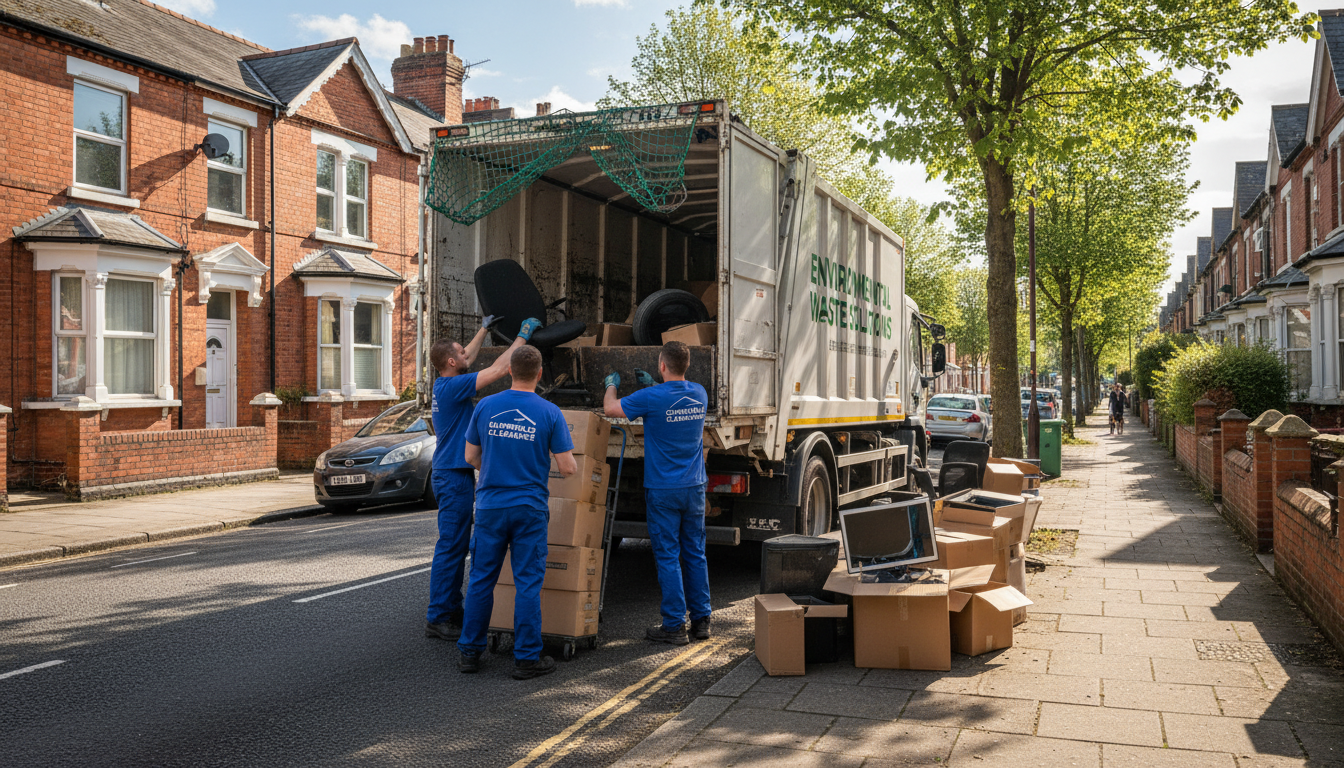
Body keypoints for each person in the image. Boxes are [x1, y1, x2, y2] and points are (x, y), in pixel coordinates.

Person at [458, 345, 577, 679]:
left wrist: (495, 469)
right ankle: (526, 659)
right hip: (529, 508)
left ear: (509, 370)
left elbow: (470, 457)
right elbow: (567, 468)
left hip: (491, 506)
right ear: (539, 374)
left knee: (482, 579)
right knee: (527, 583)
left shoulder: (485, 406)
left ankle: (470, 653)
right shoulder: (550, 412)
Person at [423, 315, 541, 643]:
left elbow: (470, 357)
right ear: (450, 362)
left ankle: (450, 606)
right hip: (453, 475)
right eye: (461, 353)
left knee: (456, 544)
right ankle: (439, 616)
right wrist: (522, 337)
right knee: (452, 546)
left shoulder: (446, 380)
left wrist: (484, 329)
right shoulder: (454, 386)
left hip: (452, 473)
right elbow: (503, 368)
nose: (468, 355)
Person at [603, 341, 711, 646]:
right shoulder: (699, 393)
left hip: (663, 490)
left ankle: (674, 625)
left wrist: (612, 385)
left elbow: (611, 409)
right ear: (686, 365)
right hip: (694, 488)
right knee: (695, 553)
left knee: (667, 555)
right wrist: (654, 387)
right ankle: (701, 621)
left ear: (662, 365)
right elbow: (674, 401)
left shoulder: (650, 398)